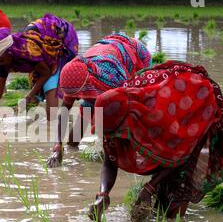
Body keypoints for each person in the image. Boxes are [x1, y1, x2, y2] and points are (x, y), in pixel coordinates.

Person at [88, 61, 223, 222]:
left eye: (114, 133)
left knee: (174, 207)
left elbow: (180, 154)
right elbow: (109, 161)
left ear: (128, 123)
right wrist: (103, 194)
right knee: (160, 198)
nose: (111, 139)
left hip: (196, 102)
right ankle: (159, 196)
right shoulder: (112, 114)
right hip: (167, 104)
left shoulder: (159, 120)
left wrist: (149, 188)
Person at [47, 33, 152, 168]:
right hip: (106, 49)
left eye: (79, 94)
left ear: (88, 85)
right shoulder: (72, 75)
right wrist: (57, 146)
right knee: (85, 111)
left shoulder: (112, 78)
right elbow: (64, 111)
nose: (76, 97)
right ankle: (72, 148)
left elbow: (130, 109)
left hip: (135, 54)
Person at [0, 13, 78, 121]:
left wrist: (29, 95)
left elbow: (46, 72)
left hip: (58, 40)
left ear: (9, 52)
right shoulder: (4, 61)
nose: (0, 63)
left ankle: (57, 126)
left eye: (1, 60)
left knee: (51, 102)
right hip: (39, 55)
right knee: (34, 95)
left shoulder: (26, 51)